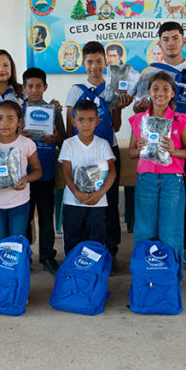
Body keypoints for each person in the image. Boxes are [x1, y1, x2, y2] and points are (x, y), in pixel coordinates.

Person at [135, 22, 186, 275]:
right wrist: (137, 107)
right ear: (159, 43)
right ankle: (155, 252)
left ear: (183, 41)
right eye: (165, 39)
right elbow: (140, 107)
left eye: (175, 38)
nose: (170, 43)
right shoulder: (150, 73)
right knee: (155, 205)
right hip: (155, 151)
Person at [66, 41, 131, 269]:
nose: (94, 66)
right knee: (82, 202)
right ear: (83, 64)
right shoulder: (76, 90)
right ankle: (82, 252)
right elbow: (69, 126)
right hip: (80, 153)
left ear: (106, 63)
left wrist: (119, 108)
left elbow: (116, 126)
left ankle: (110, 252)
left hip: (106, 151)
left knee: (108, 203)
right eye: (90, 62)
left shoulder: (113, 88)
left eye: (99, 61)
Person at [128, 70, 186, 283]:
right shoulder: (139, 120)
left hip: (172, 181)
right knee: (144, 229)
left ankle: (171, 281)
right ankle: (142, 279)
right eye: (155, 89)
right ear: (148, 92)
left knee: (171, 231)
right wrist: (139, 148)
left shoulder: (179, 119)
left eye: (166, 89)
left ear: (173, 93)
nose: (160, 93)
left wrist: (174, 151)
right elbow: (131, 153)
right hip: (146, 180)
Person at [22, 67, 66, 274]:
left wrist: (56, 139)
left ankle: (47, 255)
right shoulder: (18, 110)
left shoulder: (54, 111)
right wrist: (19, 134)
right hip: (24, 172)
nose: (34, 90)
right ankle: (24, 256)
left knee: (47, 216)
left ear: (45, 87)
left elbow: (63, 138)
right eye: (30, 86)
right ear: (24, 88)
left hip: (46, 169)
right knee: (25, 217)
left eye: (38, 86)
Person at [59, 99, 117, 254]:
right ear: (73, 121)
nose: (86, 124)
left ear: (97, 121)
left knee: (95, 241)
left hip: (97, 202)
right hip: (73, 201)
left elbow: (112, 172)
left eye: (91, 119)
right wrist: (76, 193)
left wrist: (99, 194)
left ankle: (93, 269)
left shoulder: (103, 144)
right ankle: (72, 267)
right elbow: (66, 172)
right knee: (72, 240)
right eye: (81, 120)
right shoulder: (69, 144)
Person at [0, 101, 43, 240]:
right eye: (0, 118)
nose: (4, 123)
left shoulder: (27, 144)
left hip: (19, 202)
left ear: (19, 121)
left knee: (17, 241)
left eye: (10, 119)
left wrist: (26, 179)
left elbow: (38, 171)